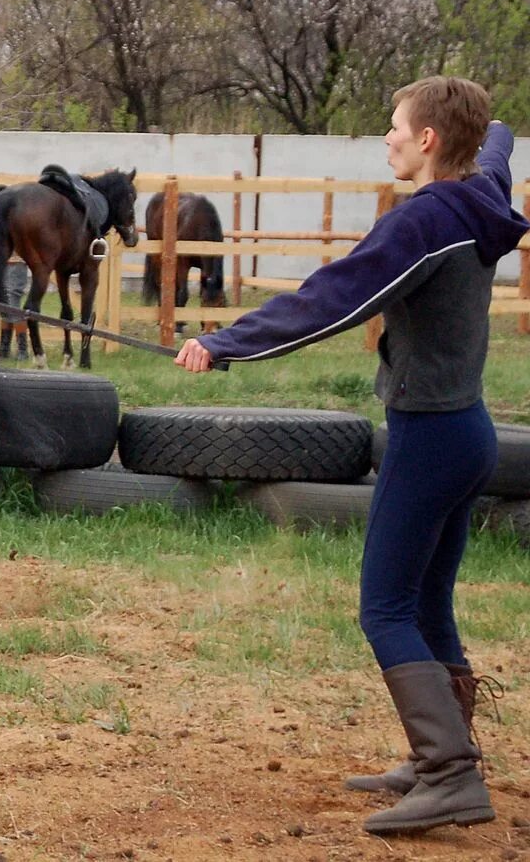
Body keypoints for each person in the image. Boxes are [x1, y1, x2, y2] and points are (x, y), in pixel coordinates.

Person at [174, 76, 527, 836]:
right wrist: (477, 121)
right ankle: (447, 749)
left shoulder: (426, 221)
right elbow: (495, 137)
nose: (388, 139)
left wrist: (225, 343)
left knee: (386, 607)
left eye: (396, 127)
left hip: (429, 437)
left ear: (428, 139)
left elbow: (331, 299)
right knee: (427, 600)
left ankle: (451, 776)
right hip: (469, 430)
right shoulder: (484, 191)